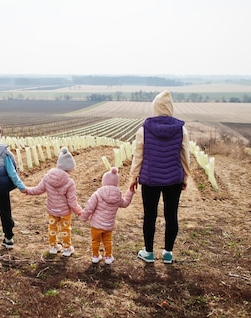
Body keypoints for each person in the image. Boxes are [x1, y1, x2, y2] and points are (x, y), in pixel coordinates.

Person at [129, 90, 191, 264]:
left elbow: (138, 155)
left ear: (154, 107)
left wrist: (133, 177)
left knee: (150, 215)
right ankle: (168, 253)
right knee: (172, 215)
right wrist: (185, 178)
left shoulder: (144, 129)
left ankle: (148, 252)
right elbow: (185, 156)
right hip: (173, 179)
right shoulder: (181, 129)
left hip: (150, 179)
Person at [25, 147, 82, 257]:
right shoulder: (69, 182)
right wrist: (79, 211)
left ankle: (53, 247)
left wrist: (27, 190)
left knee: (52, 228)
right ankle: (66, 249)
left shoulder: (48, 177)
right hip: (65, 212)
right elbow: (72, 202)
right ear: (69, 168)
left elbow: (38, 190)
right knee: (65, 229)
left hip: (52, 210)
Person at [80, 167, 134, 265]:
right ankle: (108, 257)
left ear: (104, 181)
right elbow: (125, 203)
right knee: (108, 241)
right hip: (108, 225)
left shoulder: (97, 194)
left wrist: (84, 217)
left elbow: (89, 207)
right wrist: (130, 192)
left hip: (96, 224)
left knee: (95, 241)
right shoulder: (117, 196)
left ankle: (95, 256)